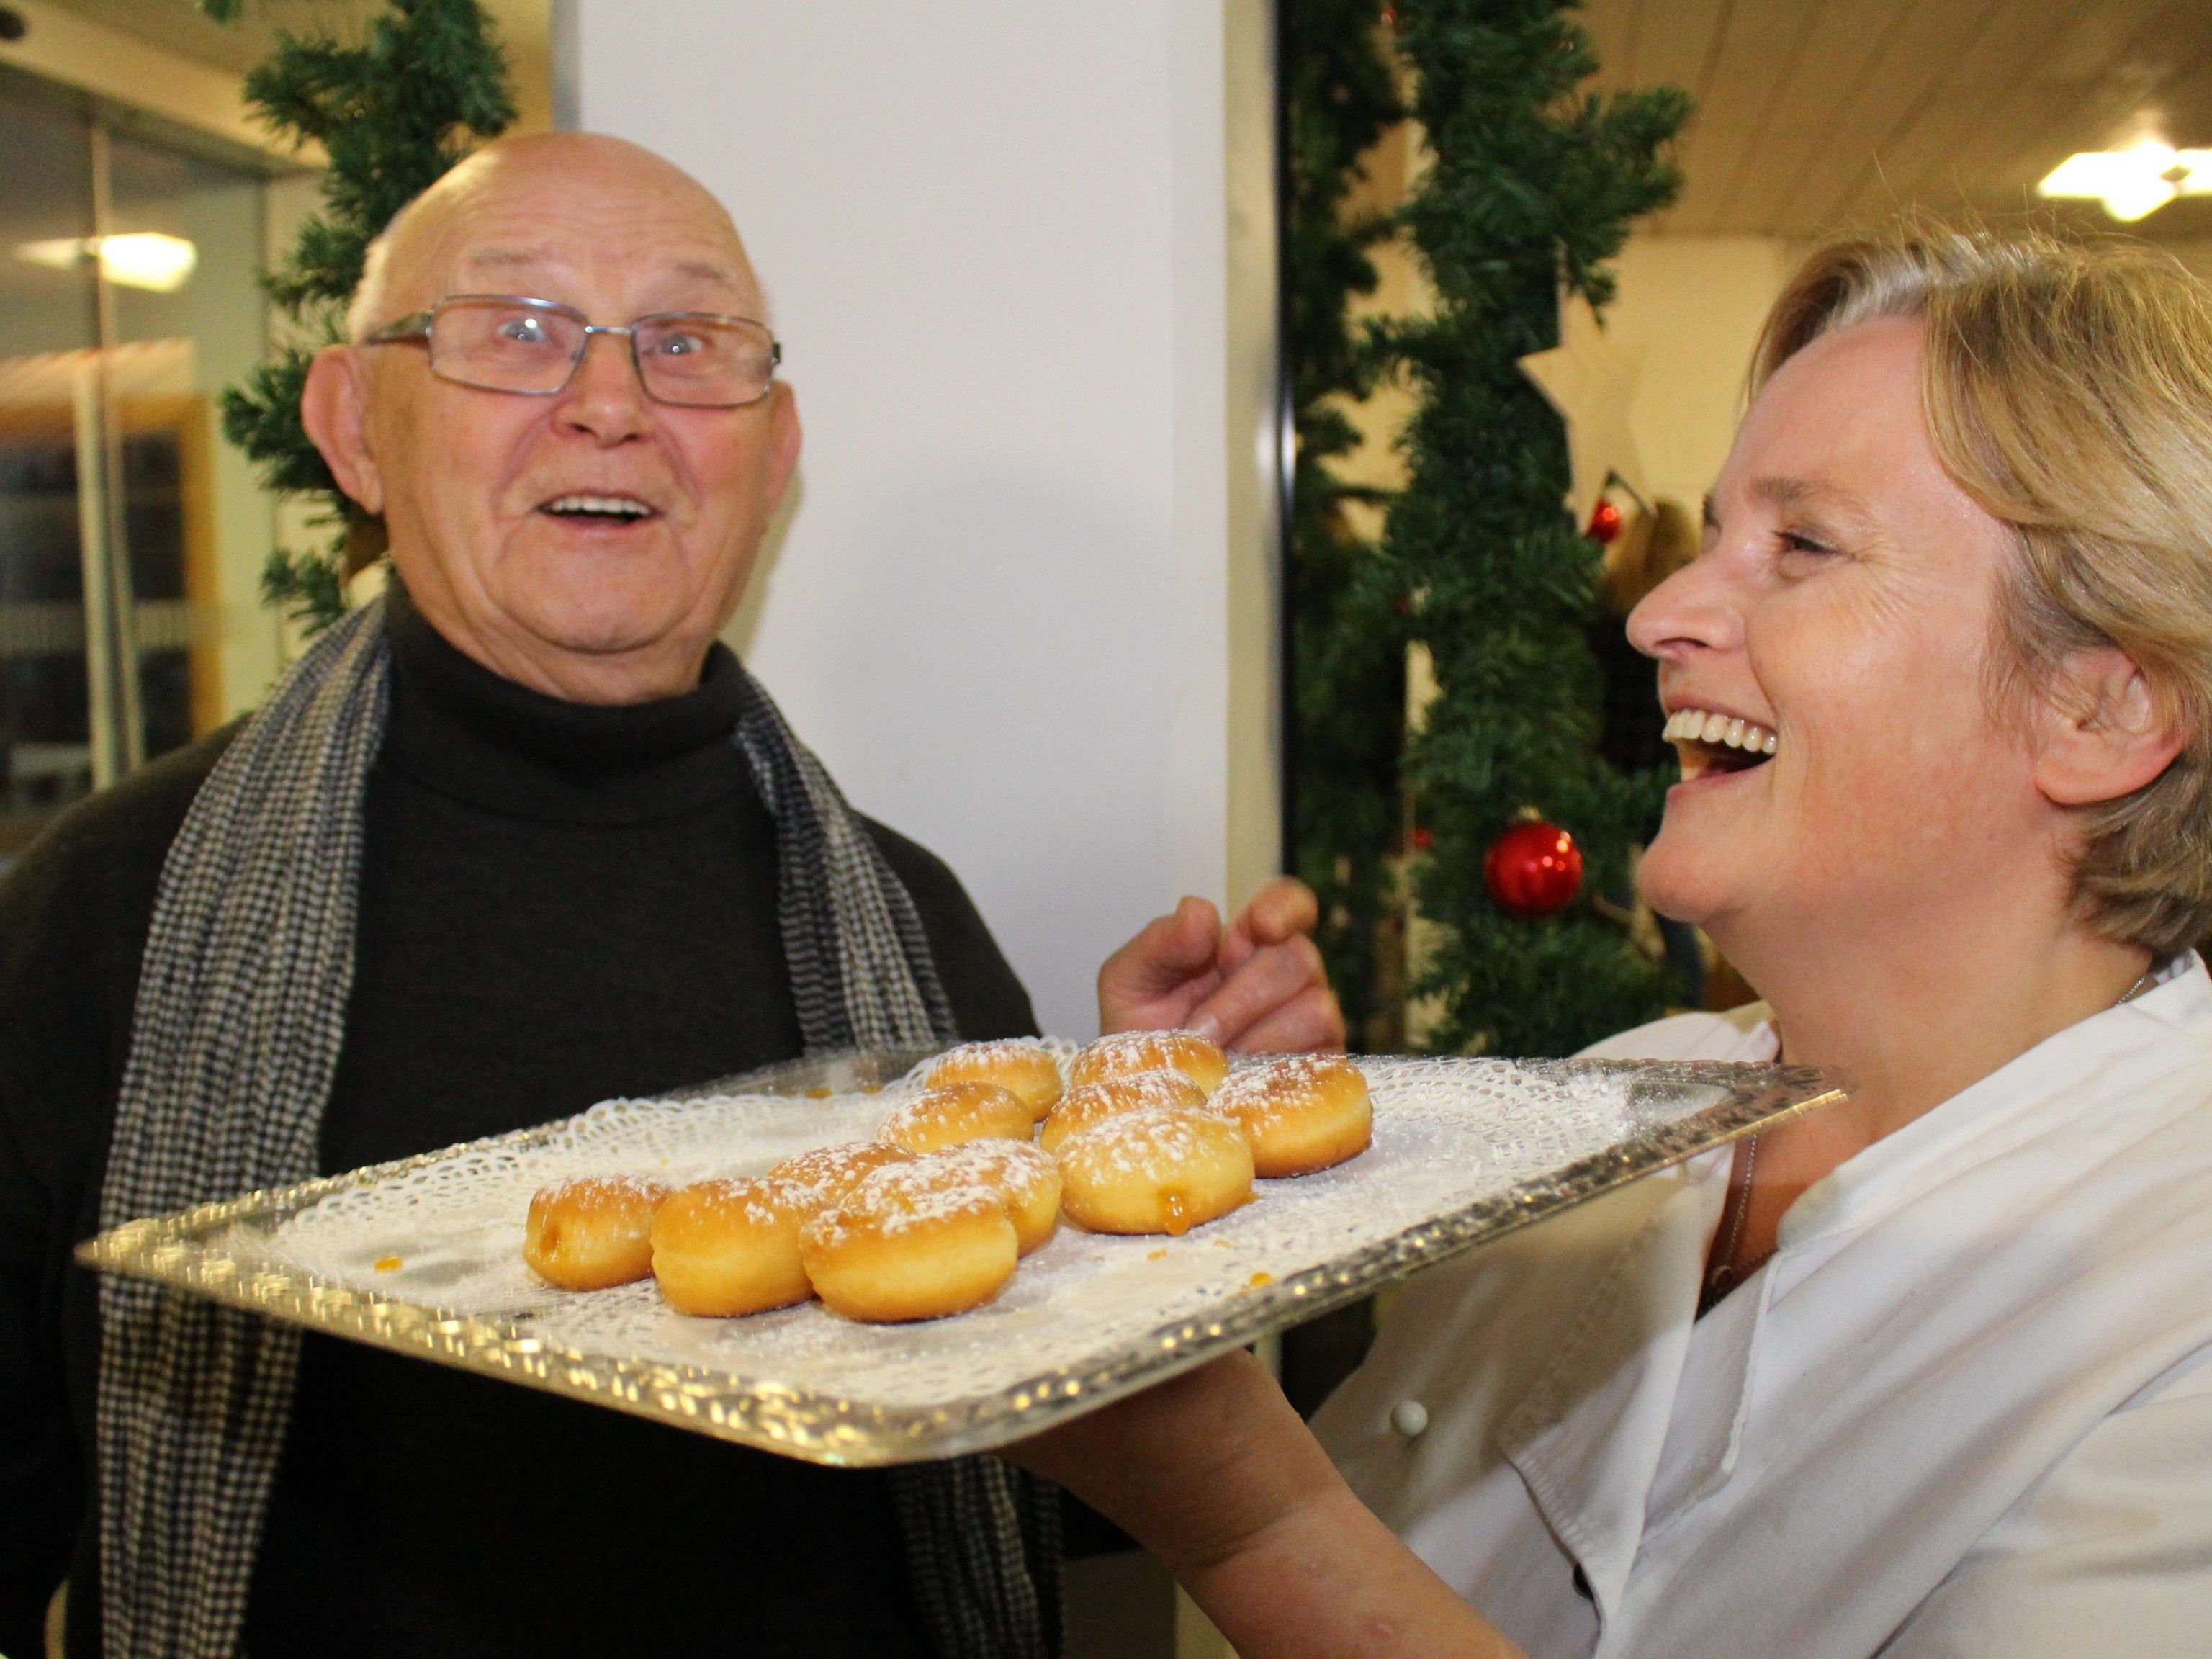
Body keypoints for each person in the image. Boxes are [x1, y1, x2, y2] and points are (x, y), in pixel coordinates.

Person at [0, 132, 1341, 1659]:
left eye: (686, 345)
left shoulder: (909, 926)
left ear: (773, 455)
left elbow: (1094, 1500)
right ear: (355, 425)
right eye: (516, 332)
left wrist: (1185, 1192)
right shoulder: (109, 918)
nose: (611, 403)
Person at [1012, 227, 2212, 1658]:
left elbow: (1307, 1539)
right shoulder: (1626, 1088)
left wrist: (1252, 1527)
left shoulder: (2172, 1292)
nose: (1657, 613)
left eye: (1802, 546)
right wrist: (1228, 1182)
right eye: (1714, 538)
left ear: (2101, 712)